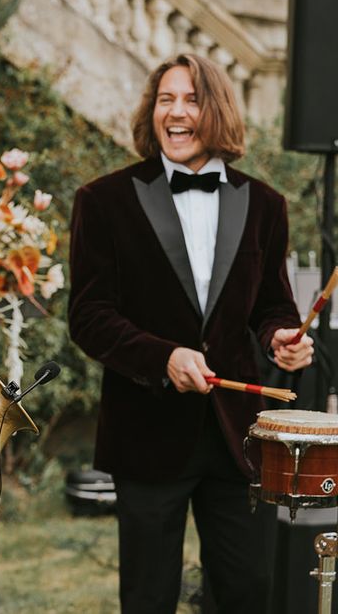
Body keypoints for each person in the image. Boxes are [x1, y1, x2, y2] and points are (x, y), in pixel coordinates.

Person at [68, 53, 314, 614]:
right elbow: (88, 315)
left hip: (239, 438)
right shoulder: (103, 201)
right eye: (165, 99)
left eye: (192, 99)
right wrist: (163, 357)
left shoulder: (265, 205)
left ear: (218, 111)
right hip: (146, 433)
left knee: (247, 590)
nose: (176, 113)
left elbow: (271, 303)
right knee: (149, 598)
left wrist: (281, 336)